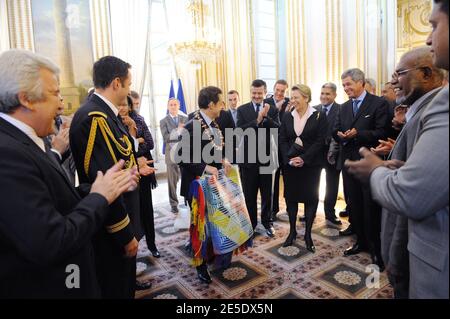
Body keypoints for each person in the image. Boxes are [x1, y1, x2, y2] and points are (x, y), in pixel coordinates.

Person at [0, 49, 138, 298]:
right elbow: (50, 240)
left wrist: (102, 186)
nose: (62, 104)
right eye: (55, 94)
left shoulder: (23, 140)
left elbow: (54, 195)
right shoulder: (7, 153)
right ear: (26, 99)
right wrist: (101, 196)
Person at [345, 0, 449, 299]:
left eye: (434, 25)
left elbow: (413, 196)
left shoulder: (439, 104)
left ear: (427, 73)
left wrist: (376, 169)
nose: (429, 37)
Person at [70, 56, 151, 298]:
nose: (128, 91)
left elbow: (119, 159)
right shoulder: (95, 119)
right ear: (116, 83)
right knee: (116, 287)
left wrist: (135, 165)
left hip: (125, 213)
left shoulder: (106, 114)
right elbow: (107, 183)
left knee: (125, 284)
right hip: (113, 226)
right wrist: (125, 235)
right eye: (128, 85)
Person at [333, 68, 389, 270]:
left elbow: (382, 131)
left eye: (349, 84)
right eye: (344, 85)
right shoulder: (344, 107)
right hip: (348, 163)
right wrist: (338, 133)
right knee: (354, 204)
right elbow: (335, 128)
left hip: (368, 164)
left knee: (370, 207)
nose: (346, 88)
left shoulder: (378, 103)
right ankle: (360, 241)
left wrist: (358, 133)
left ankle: (376, 249)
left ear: (361, 83)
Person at [177, 86, 233, 284]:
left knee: (214, 223)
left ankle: (212, 255)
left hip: (213, 184)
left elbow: (216, 151)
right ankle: (200, 267)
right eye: (220, 102)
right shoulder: (191, 125)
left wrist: (222, 161)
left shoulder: (215, 125)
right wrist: (205, 167)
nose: (223, 106)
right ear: (211, 105)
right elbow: (181, 157)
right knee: (199, 228)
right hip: (196, 186)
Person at [279, 85, 327, 252]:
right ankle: (292, 232)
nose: (292, 101)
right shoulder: (287, 116)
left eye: (296, 97)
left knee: (310, 198)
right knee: (291, 198)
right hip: (291, 165)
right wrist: (289, 158)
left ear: (306, 98)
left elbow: (321, 141)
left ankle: (307, 234)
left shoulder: (319, 115)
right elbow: (282, 139)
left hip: (311, 165)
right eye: (291, 97)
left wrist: (304, 158)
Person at [237, 79, 280, 238]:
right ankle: (251, 224)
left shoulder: (273, 109)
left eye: (259, 93)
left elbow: (278, 129)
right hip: (248, 160)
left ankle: (267, 223)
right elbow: (239, 131)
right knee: (249, 195)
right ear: (250, 92)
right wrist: (257, 120)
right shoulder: (242, 110)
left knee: (267, 194)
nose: (256, 96)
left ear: (265, 92)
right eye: (254, 93)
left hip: (267, 159)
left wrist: (266, 116)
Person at [119, 96, 160, 259]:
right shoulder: (112, 122)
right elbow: (124, 150)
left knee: (146, 210)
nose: (122, 108)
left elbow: (150, 143)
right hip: (126, 173)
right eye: (119, 104)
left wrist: (136, 136)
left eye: (125, 104)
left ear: (130, 107)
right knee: (130, 213)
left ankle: (152, 245)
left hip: (144, 171)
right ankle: (132, 249)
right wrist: (137, 139)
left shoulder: (138, 119)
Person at [313, 83, 342, 225]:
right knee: (313, 183)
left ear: (334, 95)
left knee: (332, 184)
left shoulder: (341, 109)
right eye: (322, 93)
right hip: (315, 155)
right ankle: (310, 212)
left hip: (333, 154)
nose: (324, 96)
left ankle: (330, 213)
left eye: (327, 94)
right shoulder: (313, 109)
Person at [264, 80, 290, 220]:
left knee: (288, 179)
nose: (279, 93)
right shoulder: (265, 102)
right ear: (273, 89)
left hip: (284, 148)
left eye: (282, 91)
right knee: (271, 181)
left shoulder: (290, 103)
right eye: (278, 90)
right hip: (269, 147)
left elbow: (288, 124)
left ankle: (289, 208)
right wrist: (276, 108)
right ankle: (272, 211)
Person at [160, 98, 188, 214]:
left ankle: (188, 201)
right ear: (168, 107)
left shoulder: (185, 119)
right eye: (171, 105)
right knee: (172, 182)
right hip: (171, 155)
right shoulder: (163, 121)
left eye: (175, 104)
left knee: (187, 179)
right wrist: (178, 131)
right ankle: (174, 204)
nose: (173, 106)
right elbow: (166, 138)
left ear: (179, 106)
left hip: (185, 154)